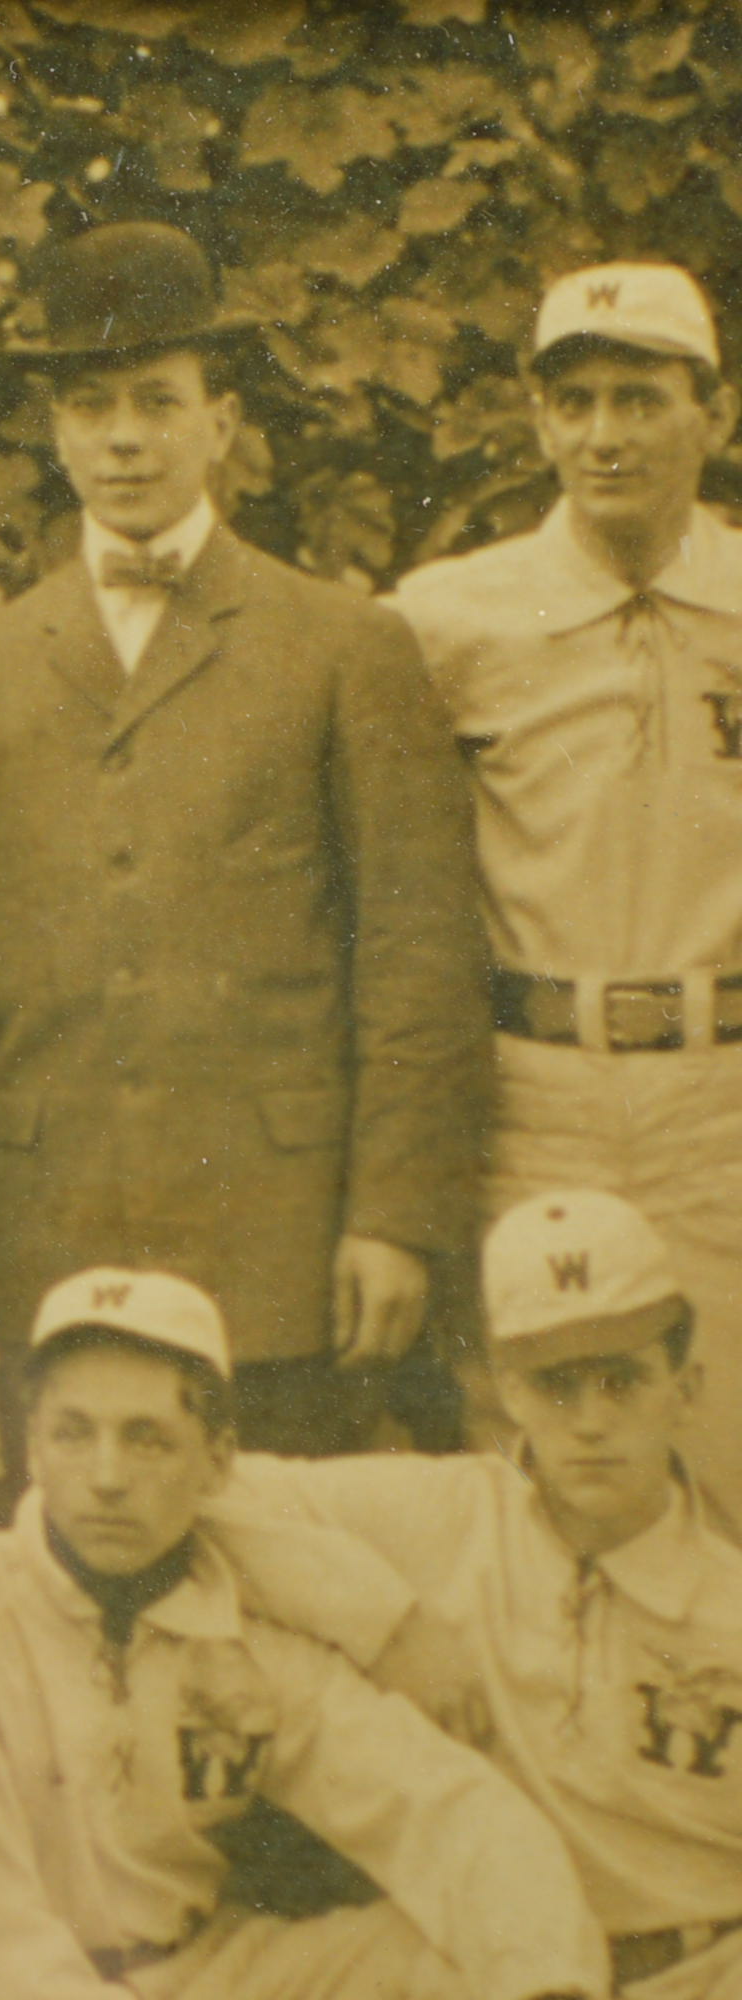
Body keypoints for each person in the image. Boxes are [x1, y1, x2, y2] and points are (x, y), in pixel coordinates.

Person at [0, 219, 488, 1460]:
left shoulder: (340, 647)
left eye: (156, 402)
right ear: (53, 431)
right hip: (43, 1224)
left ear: (220, 422)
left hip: (272, 1232)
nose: (122, 437)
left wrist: (390, 1215)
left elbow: (413, 960)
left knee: (280, 1566)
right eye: (90, 403)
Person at [0, 1265, 605, 2000]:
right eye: (74, 1434)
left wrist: (549, 1980)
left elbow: (444, 1810)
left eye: (147, 1440)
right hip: (0, 1977)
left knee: (454, 1960)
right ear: (34, 1446)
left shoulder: (241, 1637)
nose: (106, 1476)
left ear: (218, 1462)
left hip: (203, 1964)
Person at [387, 263, 742, 1531]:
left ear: (715, 412)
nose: (604, 436)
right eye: (573, 400)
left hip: (720, 1094)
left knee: (720, 1459)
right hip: (531, 1090)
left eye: (640, 398)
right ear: (535, 420)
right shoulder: (444, 619)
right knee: (533, 1463)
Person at [207, 1190, 742, 1996]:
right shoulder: (439, 1513)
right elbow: (193, 1493)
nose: (592, 1420)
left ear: (687, 1384)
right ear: (508, 1387)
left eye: (622, 1379)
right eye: (556, 1383)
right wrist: (387, 1624)